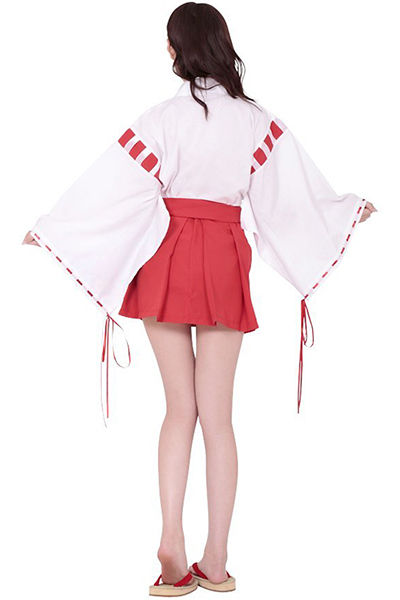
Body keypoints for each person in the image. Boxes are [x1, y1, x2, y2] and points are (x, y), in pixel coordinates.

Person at [22, 2, 377, 596]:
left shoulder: (161, 118)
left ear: (174, 50)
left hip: (165, 255)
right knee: (218, 417)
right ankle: (215, 560)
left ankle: (172, 540)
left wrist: (55, 230)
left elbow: (111, 187)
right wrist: (345, 212)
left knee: (177, 411)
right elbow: (292, 195)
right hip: (224, 257)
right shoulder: (256, 121)